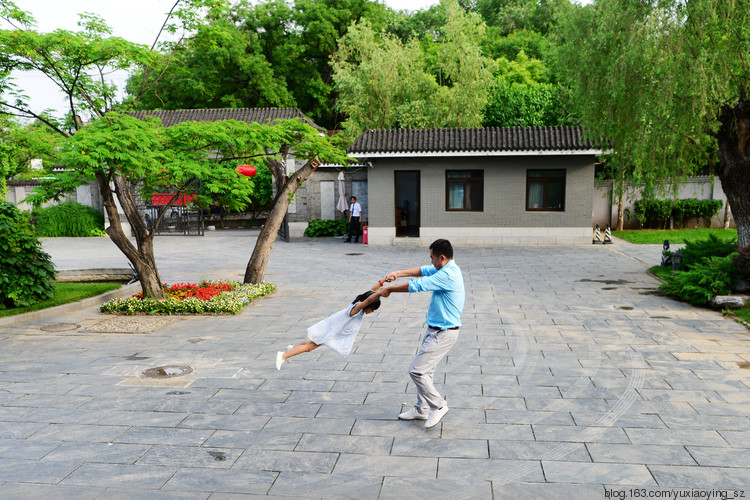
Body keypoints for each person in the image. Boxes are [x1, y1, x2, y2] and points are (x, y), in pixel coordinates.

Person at [379, 239, 465, 428]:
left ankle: (439, 406)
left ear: (442, 258)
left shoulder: (448, 275)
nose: (431, 261)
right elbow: (423, 270)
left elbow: (417, 285)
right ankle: (421, 410)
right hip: (436, 329)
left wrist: (390, 290)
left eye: (432, 258)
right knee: (427, 372)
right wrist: (398, 273)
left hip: (443, 333)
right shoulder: (446, 267)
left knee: (417, 371)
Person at [276, 281, 384, 370]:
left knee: (311, 341)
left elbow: (372, 291)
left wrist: (382, 281)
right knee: (309, 347)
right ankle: (283, 356)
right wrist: (381, 293)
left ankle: (292, 350)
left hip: (332, 329)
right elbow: (370, 298)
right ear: (367, 305)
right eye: (373, 309)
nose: (373, 311)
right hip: (331, 331)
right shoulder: (356, 309)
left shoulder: (357, 305)